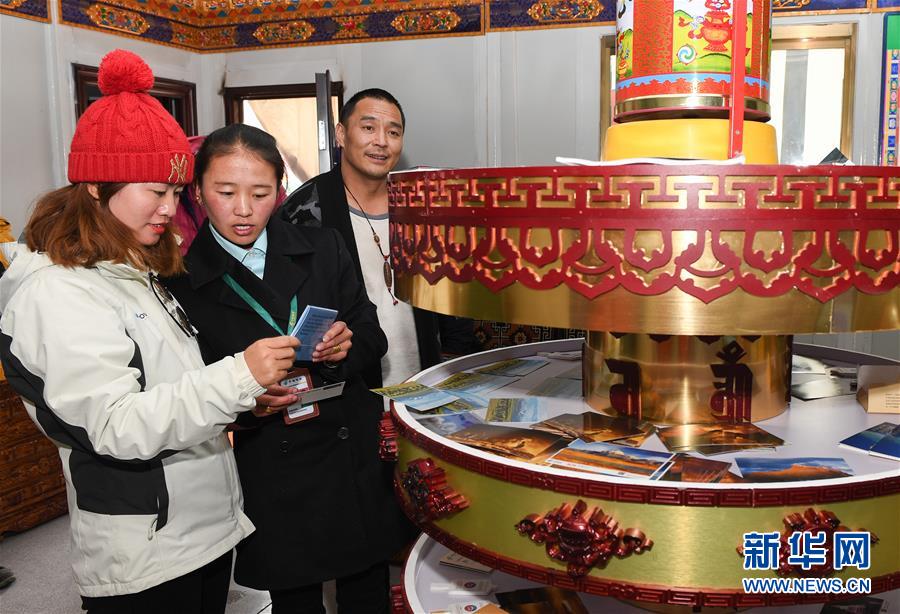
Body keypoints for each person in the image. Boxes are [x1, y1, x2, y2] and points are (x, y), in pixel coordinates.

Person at [0, 50, 298, 614]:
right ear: (96, 186)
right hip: (145, 550)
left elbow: (169, 385)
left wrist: (242, 400)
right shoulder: (58, 293)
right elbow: (116, 425)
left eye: (175, 192)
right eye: (154, 191)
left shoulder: (133, 270)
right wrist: (238, 376)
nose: (169, 209)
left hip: (200, 530)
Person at [163, 123, 405, 614]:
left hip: (348, 449)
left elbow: (371, 333)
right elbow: (189, 387)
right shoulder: (181, 282)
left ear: (280, 190)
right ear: (198, 193)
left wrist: (346, 346)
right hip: (273, 460)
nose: (244, 209)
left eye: (260, 193)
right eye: (225, 192)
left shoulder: (323, 246)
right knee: (295, 599)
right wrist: (245, 404)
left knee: (367, 592)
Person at [280, 88, 477, 390]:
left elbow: (452, 296)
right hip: (346, 389)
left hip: (423, 385)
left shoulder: (421, 206)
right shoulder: (305, 212)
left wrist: (455, 373)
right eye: (369, 128)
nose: (381, 141)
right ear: (341, 134)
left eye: (393, 132)